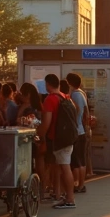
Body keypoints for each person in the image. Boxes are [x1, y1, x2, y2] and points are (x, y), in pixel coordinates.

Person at [38, 73, 76, 209]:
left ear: (48, 84)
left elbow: (46, 123)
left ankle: (70, 199)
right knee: (63, 167)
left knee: (65, 168)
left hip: (58, 138)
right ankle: (66, 197)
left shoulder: (50, 99)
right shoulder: (66, 97)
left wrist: (40, 134)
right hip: (68, 137)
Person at [17, 82, 48, 197]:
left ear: (28, 94)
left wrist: (23, 107)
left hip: (28, 138)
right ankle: (42, 189)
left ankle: (32, 187)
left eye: (22, 94)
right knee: (40, 164)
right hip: (39, 138)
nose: (20, 96)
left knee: (28, 163)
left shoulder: (27, 107)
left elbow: (18, 120)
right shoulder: (39, 105)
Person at [66, 73, 91, 194]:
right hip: (82, 130)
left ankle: (77, 184)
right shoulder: (82, 93)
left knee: (76, 161)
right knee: (82, 160)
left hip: (76, 130)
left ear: (70, 83)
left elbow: (77, 111)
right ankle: (81, 184)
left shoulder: (75, 95)